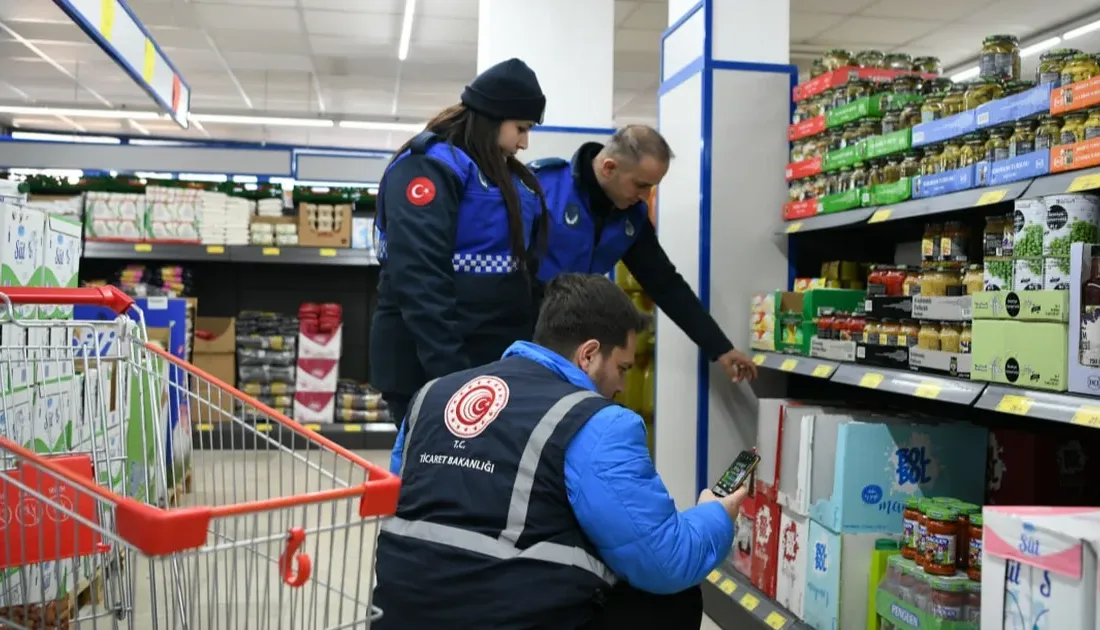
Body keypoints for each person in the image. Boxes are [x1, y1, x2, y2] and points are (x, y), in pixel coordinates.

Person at [372, 273, 749, 630]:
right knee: (675, 599)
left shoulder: (432, 395)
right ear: (588, 354)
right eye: (622, 368)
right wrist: (715, 514)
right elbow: (666, 560)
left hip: (398, 613)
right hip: (499, 619)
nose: (620, 385)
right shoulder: (597, 421)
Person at [370, 58, 550, 426]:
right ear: (494, 116)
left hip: (488, 366)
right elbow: (420, 277)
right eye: (521, 127)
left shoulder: (507, 178)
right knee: (432, 477)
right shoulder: (429, 167)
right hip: (432, 366)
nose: (524, 141)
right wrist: (452, 376)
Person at [529, 125, 759, 383]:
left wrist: (720, 348)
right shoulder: (542, 188)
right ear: (609, 168)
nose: (645, 197)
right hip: (521, 332)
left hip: (573, 341)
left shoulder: (632, 218)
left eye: (651, 187)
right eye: (640, 185)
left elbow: (665, 284)